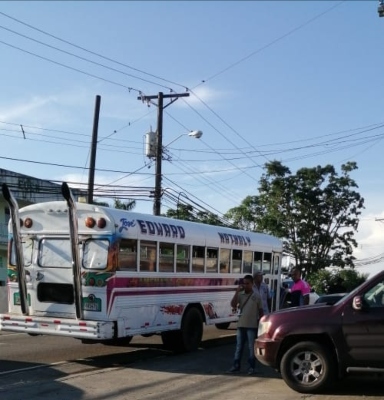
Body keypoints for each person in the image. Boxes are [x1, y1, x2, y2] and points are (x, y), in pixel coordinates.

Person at [228, 274, 264, 375]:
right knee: (239, 346)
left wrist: (261, 324)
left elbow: (261, 311)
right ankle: (236, 365)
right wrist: (237, 291)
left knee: (251, 347)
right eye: (244, 283)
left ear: (252, 284)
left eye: (247, 283)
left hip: (252, 326)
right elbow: (233, 304)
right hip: (241, 325)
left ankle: (252, 367)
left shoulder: (256, 296)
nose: (245, 285)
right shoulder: (241, 295)